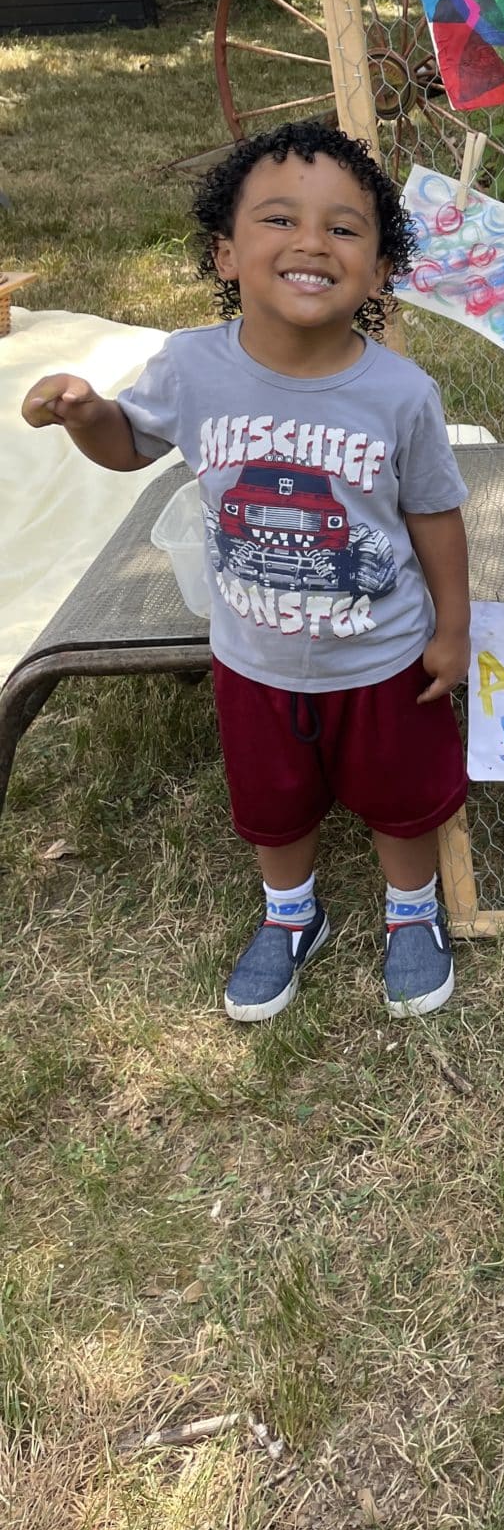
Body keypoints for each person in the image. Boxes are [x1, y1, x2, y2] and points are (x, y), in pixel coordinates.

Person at [22, 121, 470, 1020]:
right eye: (278, 220)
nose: (311, 241)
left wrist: (454, 630)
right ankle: (290, 914)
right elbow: (127, 444)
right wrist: (84, 414)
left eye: (345, 229)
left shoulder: (399, 393)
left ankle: (412, 912)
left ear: (382, 272)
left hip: (380, 652)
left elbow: (432, 512)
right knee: (273, 798)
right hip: (251, 654)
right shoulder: (191, 367)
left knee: (403, 795)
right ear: (226, 252)